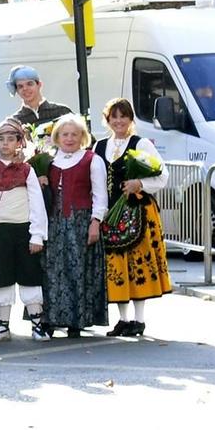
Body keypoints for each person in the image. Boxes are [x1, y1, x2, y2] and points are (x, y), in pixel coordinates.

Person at [97, 98, 171, 336]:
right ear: (108, 120)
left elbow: (162, 176)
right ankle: (123, 319)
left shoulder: (141, 144)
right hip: (111, 214)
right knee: (117, 267)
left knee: (138, 266)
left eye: (123, 116)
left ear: (130, 119)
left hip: (139, 211)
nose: (119, 121)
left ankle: (139, 319)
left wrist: (139, 182)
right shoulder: (98, 146)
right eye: (114, 117)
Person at [0, 121, 50, 342]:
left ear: (19, 143)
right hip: (1, 231)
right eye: (1, 139)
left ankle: (37, 324)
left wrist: (37, 234)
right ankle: (3, 326)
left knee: (30, 276)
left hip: (24, 230)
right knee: (3, 277)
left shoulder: (27, 170)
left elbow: (37, 203)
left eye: (10, 139)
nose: (5, 144)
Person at [42, 113, 108, 338]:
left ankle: (76, 320)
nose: (69, 138)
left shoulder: (91, 159)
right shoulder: (48, 160)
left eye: (75, 134)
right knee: (51, 270)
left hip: (80, 221)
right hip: (54, 222)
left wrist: (95, 222)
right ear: (57, 137)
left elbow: (100, 195)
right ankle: (49, 318)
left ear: (83, 137)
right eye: (65, 134)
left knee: (76, 269)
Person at [8, 65, 75, 136]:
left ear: (39, 85)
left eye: (29, 84)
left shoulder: (62, 111)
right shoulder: (14, 122)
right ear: (17, 91)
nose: (25, 89)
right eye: (20, 86)